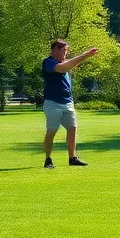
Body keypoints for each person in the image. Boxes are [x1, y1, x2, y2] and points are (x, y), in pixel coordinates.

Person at [42, 39, 99, 168]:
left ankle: (72, 158)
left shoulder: (65, 63)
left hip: (67, 102)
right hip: (52, 103)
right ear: (54, 49)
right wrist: (84, 56)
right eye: (63, 50)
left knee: (72, 128)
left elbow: (66, 66)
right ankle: (48, 159)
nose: (65, 53)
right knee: (52, 130)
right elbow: (62, 69)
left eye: (66, 50)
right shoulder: (48, 62)